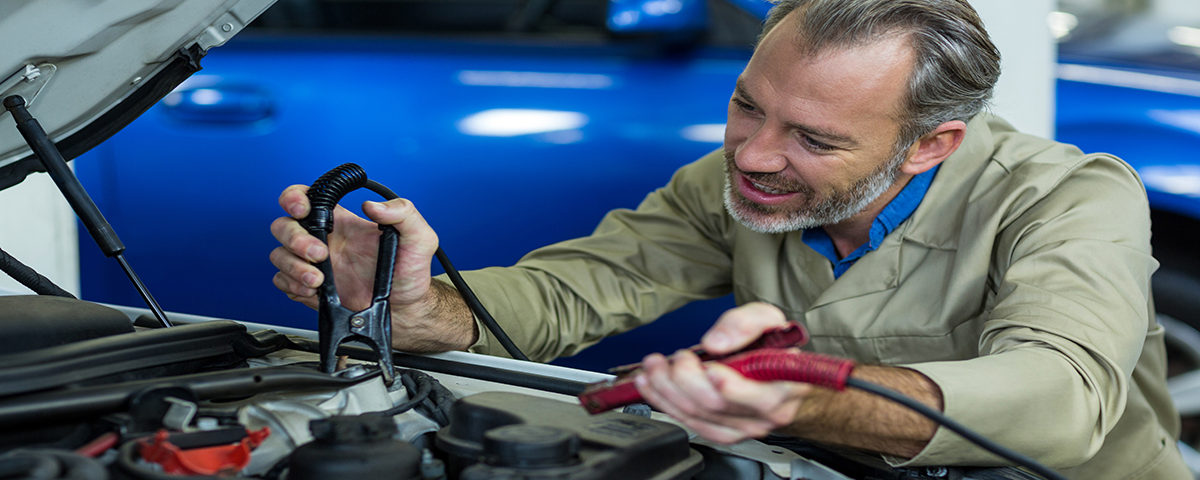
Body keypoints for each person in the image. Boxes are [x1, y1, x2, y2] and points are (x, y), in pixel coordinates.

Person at [269, 0, 1189, 477]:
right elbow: (571, 293)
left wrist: (795, 394)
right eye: (747, 104)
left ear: (930, 146)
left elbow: (1060, 401)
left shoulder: (1070, 196)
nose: (753, 155)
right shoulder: (733, 183)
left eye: (815, 139)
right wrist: (423, 307)